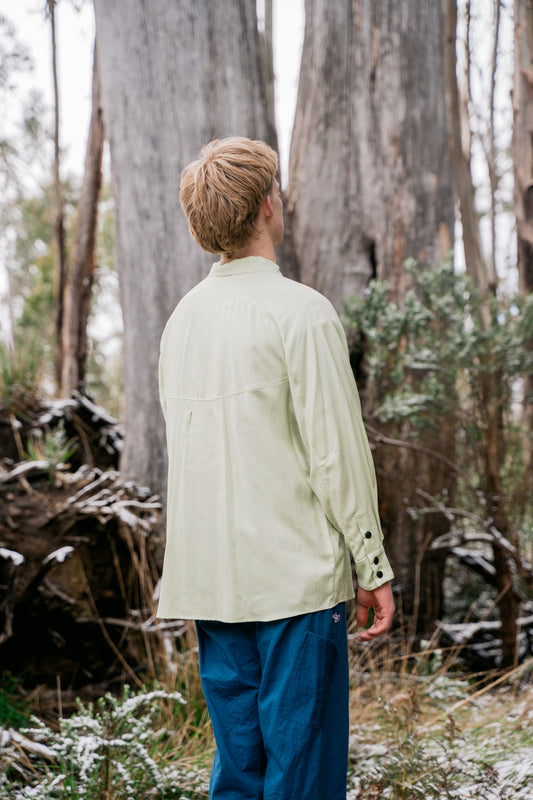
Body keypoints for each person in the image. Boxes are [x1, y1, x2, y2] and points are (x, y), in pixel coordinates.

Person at [157, 136, 395, 800]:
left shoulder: (181, 323)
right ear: (268, 204)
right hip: (295, 584)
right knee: (302, 779)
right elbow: (337, 455)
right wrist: (372, 566)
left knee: (239, 777)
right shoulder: (302, 312)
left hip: (213, 585)